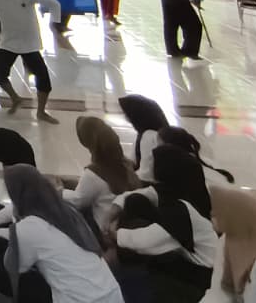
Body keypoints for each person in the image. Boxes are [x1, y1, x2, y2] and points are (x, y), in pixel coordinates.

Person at [0, 164, 122, 303]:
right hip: (112, 294)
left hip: (79, 300)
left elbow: (15, 266)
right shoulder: (69, 211)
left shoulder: (29, 226)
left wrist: (14, 225)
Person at [113, 146, 219, 302]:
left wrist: (114, 234)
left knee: (138, 281)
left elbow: (146, 241)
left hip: (203, 279)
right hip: (192, 266)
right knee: (136, 202)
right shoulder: (178, 192)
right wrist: (114, 210)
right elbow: (135, 196)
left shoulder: (181, 209)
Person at [68, 116, 141, 233]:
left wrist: (58, 191)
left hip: (104, 230)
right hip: (125, 224)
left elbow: (78, 201)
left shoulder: (93, 173)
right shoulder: (126, 164)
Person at [121, 94, 171, 182]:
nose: (124, 116)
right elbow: (134, 161)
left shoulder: (150, 136)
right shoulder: (144, 133)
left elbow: (146, 174)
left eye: (126, 113)